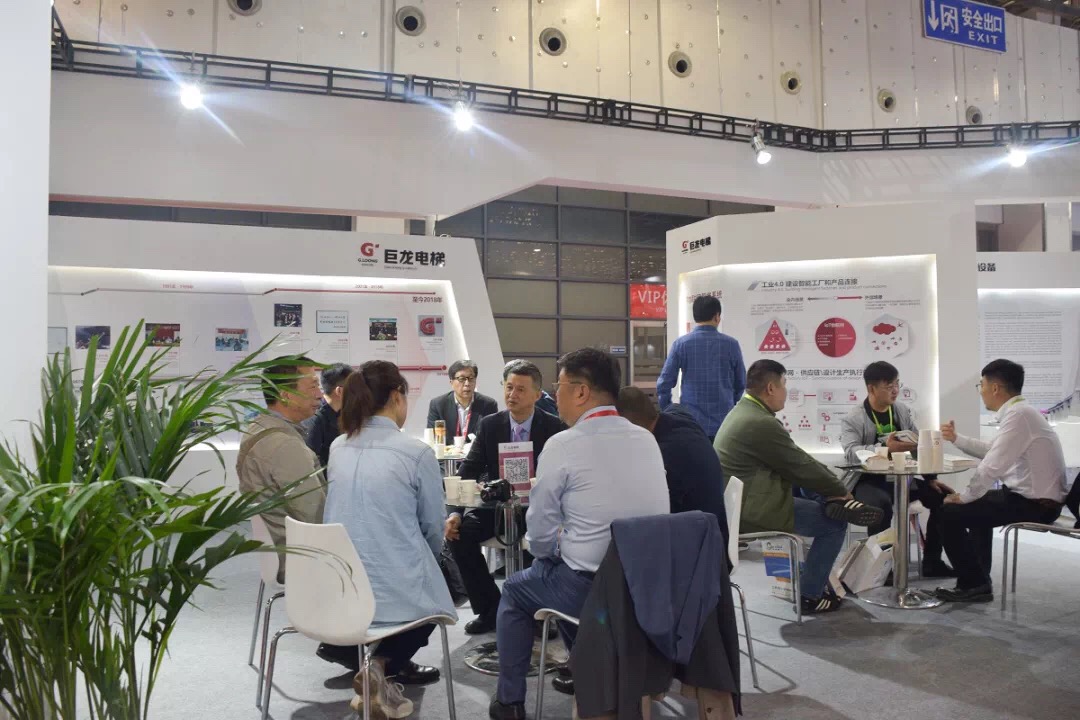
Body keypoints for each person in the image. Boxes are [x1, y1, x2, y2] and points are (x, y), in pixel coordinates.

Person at [489, 348, 669, 720]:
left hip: (591, 588)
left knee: (516, 589)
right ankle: (585, 668)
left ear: (582, 391)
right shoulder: (646, 439)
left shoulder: (563, 444)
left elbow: (539, 532)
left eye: (560, 386)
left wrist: (552, 550)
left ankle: (509, 702)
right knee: (564, 568)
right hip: (647, 587)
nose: (555, 395)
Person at [325, 361, 455, 718]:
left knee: (415, 588)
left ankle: (375, 671)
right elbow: (433, 527)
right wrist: (427, 559)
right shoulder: (416, 453)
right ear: (397, 396)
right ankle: (379, 665)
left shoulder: (338, 447)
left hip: (339, 586)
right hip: (393, 587)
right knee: (436, 597)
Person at [713, 359, 885, 614]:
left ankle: (834, 502)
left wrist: (833, 488)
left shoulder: (744, 411)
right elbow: (799, 464)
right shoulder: (759, 422)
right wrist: (840, 489)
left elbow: (797, 460)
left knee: (809, 486)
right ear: (771, 388)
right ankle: (810, 595)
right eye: (784, 385)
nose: (786, 392)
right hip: (752, 509)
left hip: (745, 500)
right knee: (834, 525)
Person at [445, 360, 567, 635]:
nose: (512, 394)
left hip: (538, 510)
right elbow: (468, 471)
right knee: (458, 536)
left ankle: (537, 613)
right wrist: (454, 513)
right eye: (509, 387)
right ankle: (491, 610)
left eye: (521, 389)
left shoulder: (554, 428)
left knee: (542, 546)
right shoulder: (490, 425)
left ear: (537, 395)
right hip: (496, 509)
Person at [934, 359, 1068, 603]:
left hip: (1037, 505)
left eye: (981, 385)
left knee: (948, 513)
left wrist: (964, 496)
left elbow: (992, 465)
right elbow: (993, 450)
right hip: (1031, 499)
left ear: (995, 388)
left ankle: (973, 583)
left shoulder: (1019, 416)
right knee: (975, 506)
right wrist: (956, 439)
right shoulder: (1021, 413)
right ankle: (978, 578)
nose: (981, 391)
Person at [840, 361, 955, 577]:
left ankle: (932, 562)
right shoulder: (853, 418)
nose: (895, 390)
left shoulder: (901, 410)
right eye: (888, 386)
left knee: (943, 498)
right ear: (871, 388)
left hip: (902, 478)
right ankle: (882, 569)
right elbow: (851, 453)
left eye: (897, 384)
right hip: (867, 481)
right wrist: (885, 448)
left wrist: (930, 478)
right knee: (880, 506)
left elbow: (919, 444)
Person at [237, 356, 325, 583]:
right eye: (313, 386)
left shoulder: (258, 428)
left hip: (279, 550)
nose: (320, 394)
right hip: (303, 557)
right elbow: (316, 517)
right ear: (286, 395)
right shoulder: (284, 445)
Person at [616, 386, 730, 551]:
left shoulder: (665, 455)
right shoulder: (679, 418)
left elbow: (649, 512)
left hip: (700, 548)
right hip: (714, 529)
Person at [656, 295, 746, 440]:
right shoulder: (731, 345)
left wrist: (669, 411)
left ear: (695, 316)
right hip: (724, 424)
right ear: (717, 316)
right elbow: (741, 383)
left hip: (691, 423)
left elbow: (663, 384)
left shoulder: (681, 344)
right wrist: (730, 404)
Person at [427, 359, 499, 439]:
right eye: (461, 379)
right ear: (451, 382)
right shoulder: (438, 405)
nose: (467, 384)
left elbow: (492, 436)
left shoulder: (488, 405)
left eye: (471, 378)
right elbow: (433, 438)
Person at [302, 362, 354, 468]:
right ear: (339, 391)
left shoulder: (345, 412)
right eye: (354, 389)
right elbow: (311, 462)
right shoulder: (315, 418)